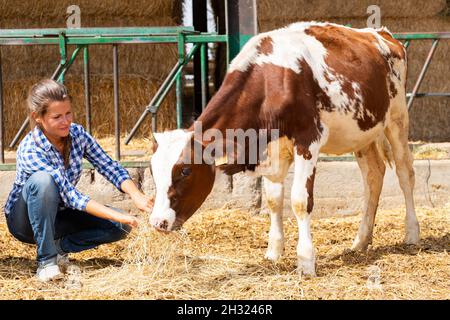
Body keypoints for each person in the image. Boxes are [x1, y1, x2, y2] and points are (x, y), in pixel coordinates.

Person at [3, 79, 153, 282]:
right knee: (43, 181)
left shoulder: (77, 134)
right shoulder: (30, 148)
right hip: (25, 221)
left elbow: (107, 165)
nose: (66, 121)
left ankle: (59, 248)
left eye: (68, 113)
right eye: (57, 117)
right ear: (37, 117)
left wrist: (137, 196)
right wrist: (118, 215)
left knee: (120, 227)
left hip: (59, 213)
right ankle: (46, 262)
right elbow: (71, 196)